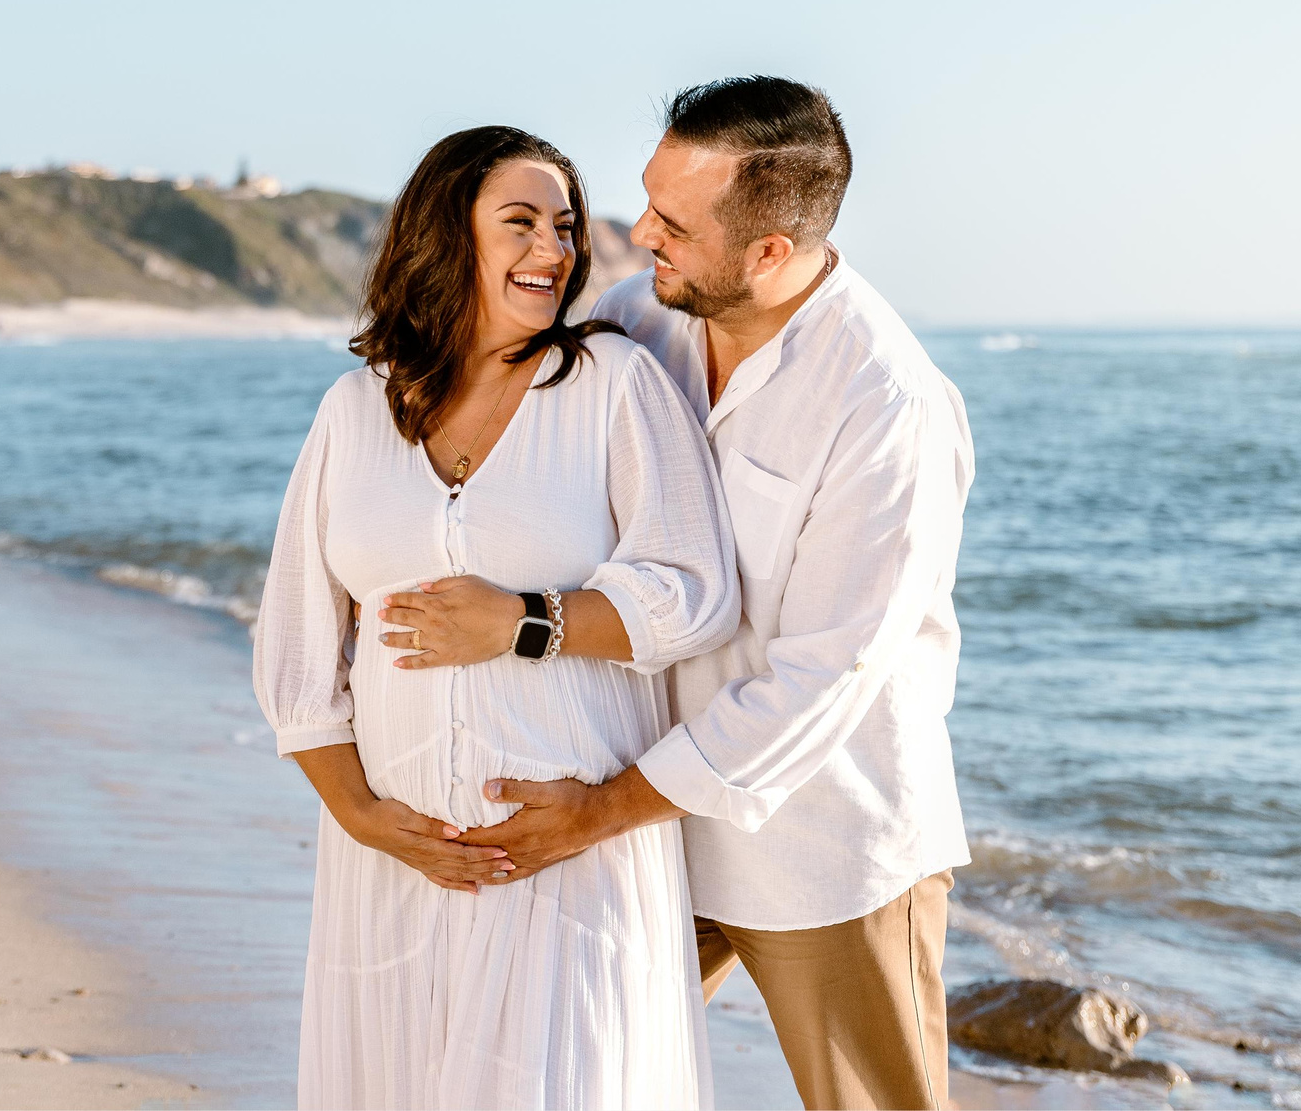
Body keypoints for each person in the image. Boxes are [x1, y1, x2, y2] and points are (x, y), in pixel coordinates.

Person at [382, 78, 975, 1110]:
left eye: (673, 222)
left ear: (770, 254)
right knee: (560, 1080)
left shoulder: (886, 403)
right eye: (647, 199)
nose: (636, 231)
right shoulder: (628, 326)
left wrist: (599, 813)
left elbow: (822, 677)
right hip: (632, 831)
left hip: (816, 842)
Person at [253, 125, 742, 1110]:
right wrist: (367, 821)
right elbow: (297, 652)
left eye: (562, 227)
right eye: (517, 223)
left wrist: (525, 621)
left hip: (566, 854)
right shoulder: (355, 411)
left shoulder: (610, 385)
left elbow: (694, 594)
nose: (552, 250)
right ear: (447, 236)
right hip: (395, 866)